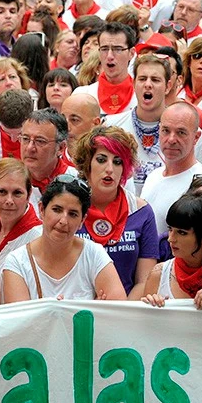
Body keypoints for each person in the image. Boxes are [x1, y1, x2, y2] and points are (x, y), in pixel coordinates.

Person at [3, 175, 126, 301]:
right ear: (42, 209)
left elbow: (119, 308)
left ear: (82, 220)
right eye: (57, 210)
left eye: (73, 214)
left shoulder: (94, 254)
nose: (63, 221)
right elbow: (19, 319)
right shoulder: (17, 262)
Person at [74, 126, 157, 298]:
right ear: (87, 163)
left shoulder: (142, 212)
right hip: (77, 308)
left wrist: (120, 311)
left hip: (126, 311)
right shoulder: (69, 208)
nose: (110, 169)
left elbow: (144, 281)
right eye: (101, 160)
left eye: (118, 161)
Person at [102, 54, 172, 193]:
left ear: (167, 86)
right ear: (133, 84)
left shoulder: (184, 131)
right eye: (142, 79)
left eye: (155, 80)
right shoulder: (111, 126)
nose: (147, 84)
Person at [140, 101, 202, 234]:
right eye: (166, 131)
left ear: (196, 137)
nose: (171, 139)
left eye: (181, 133)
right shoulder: (153, 176)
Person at [0, 159, 42, 272]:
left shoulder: (38, 239)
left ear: (29, 195)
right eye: (2, 192)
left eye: (17, 193)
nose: (9, 200)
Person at [72, 22, 137, 115]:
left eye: (117, 49)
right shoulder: (82, 95)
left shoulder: (142, 96)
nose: (110, 56)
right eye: (105, 49)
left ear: (131, 53)